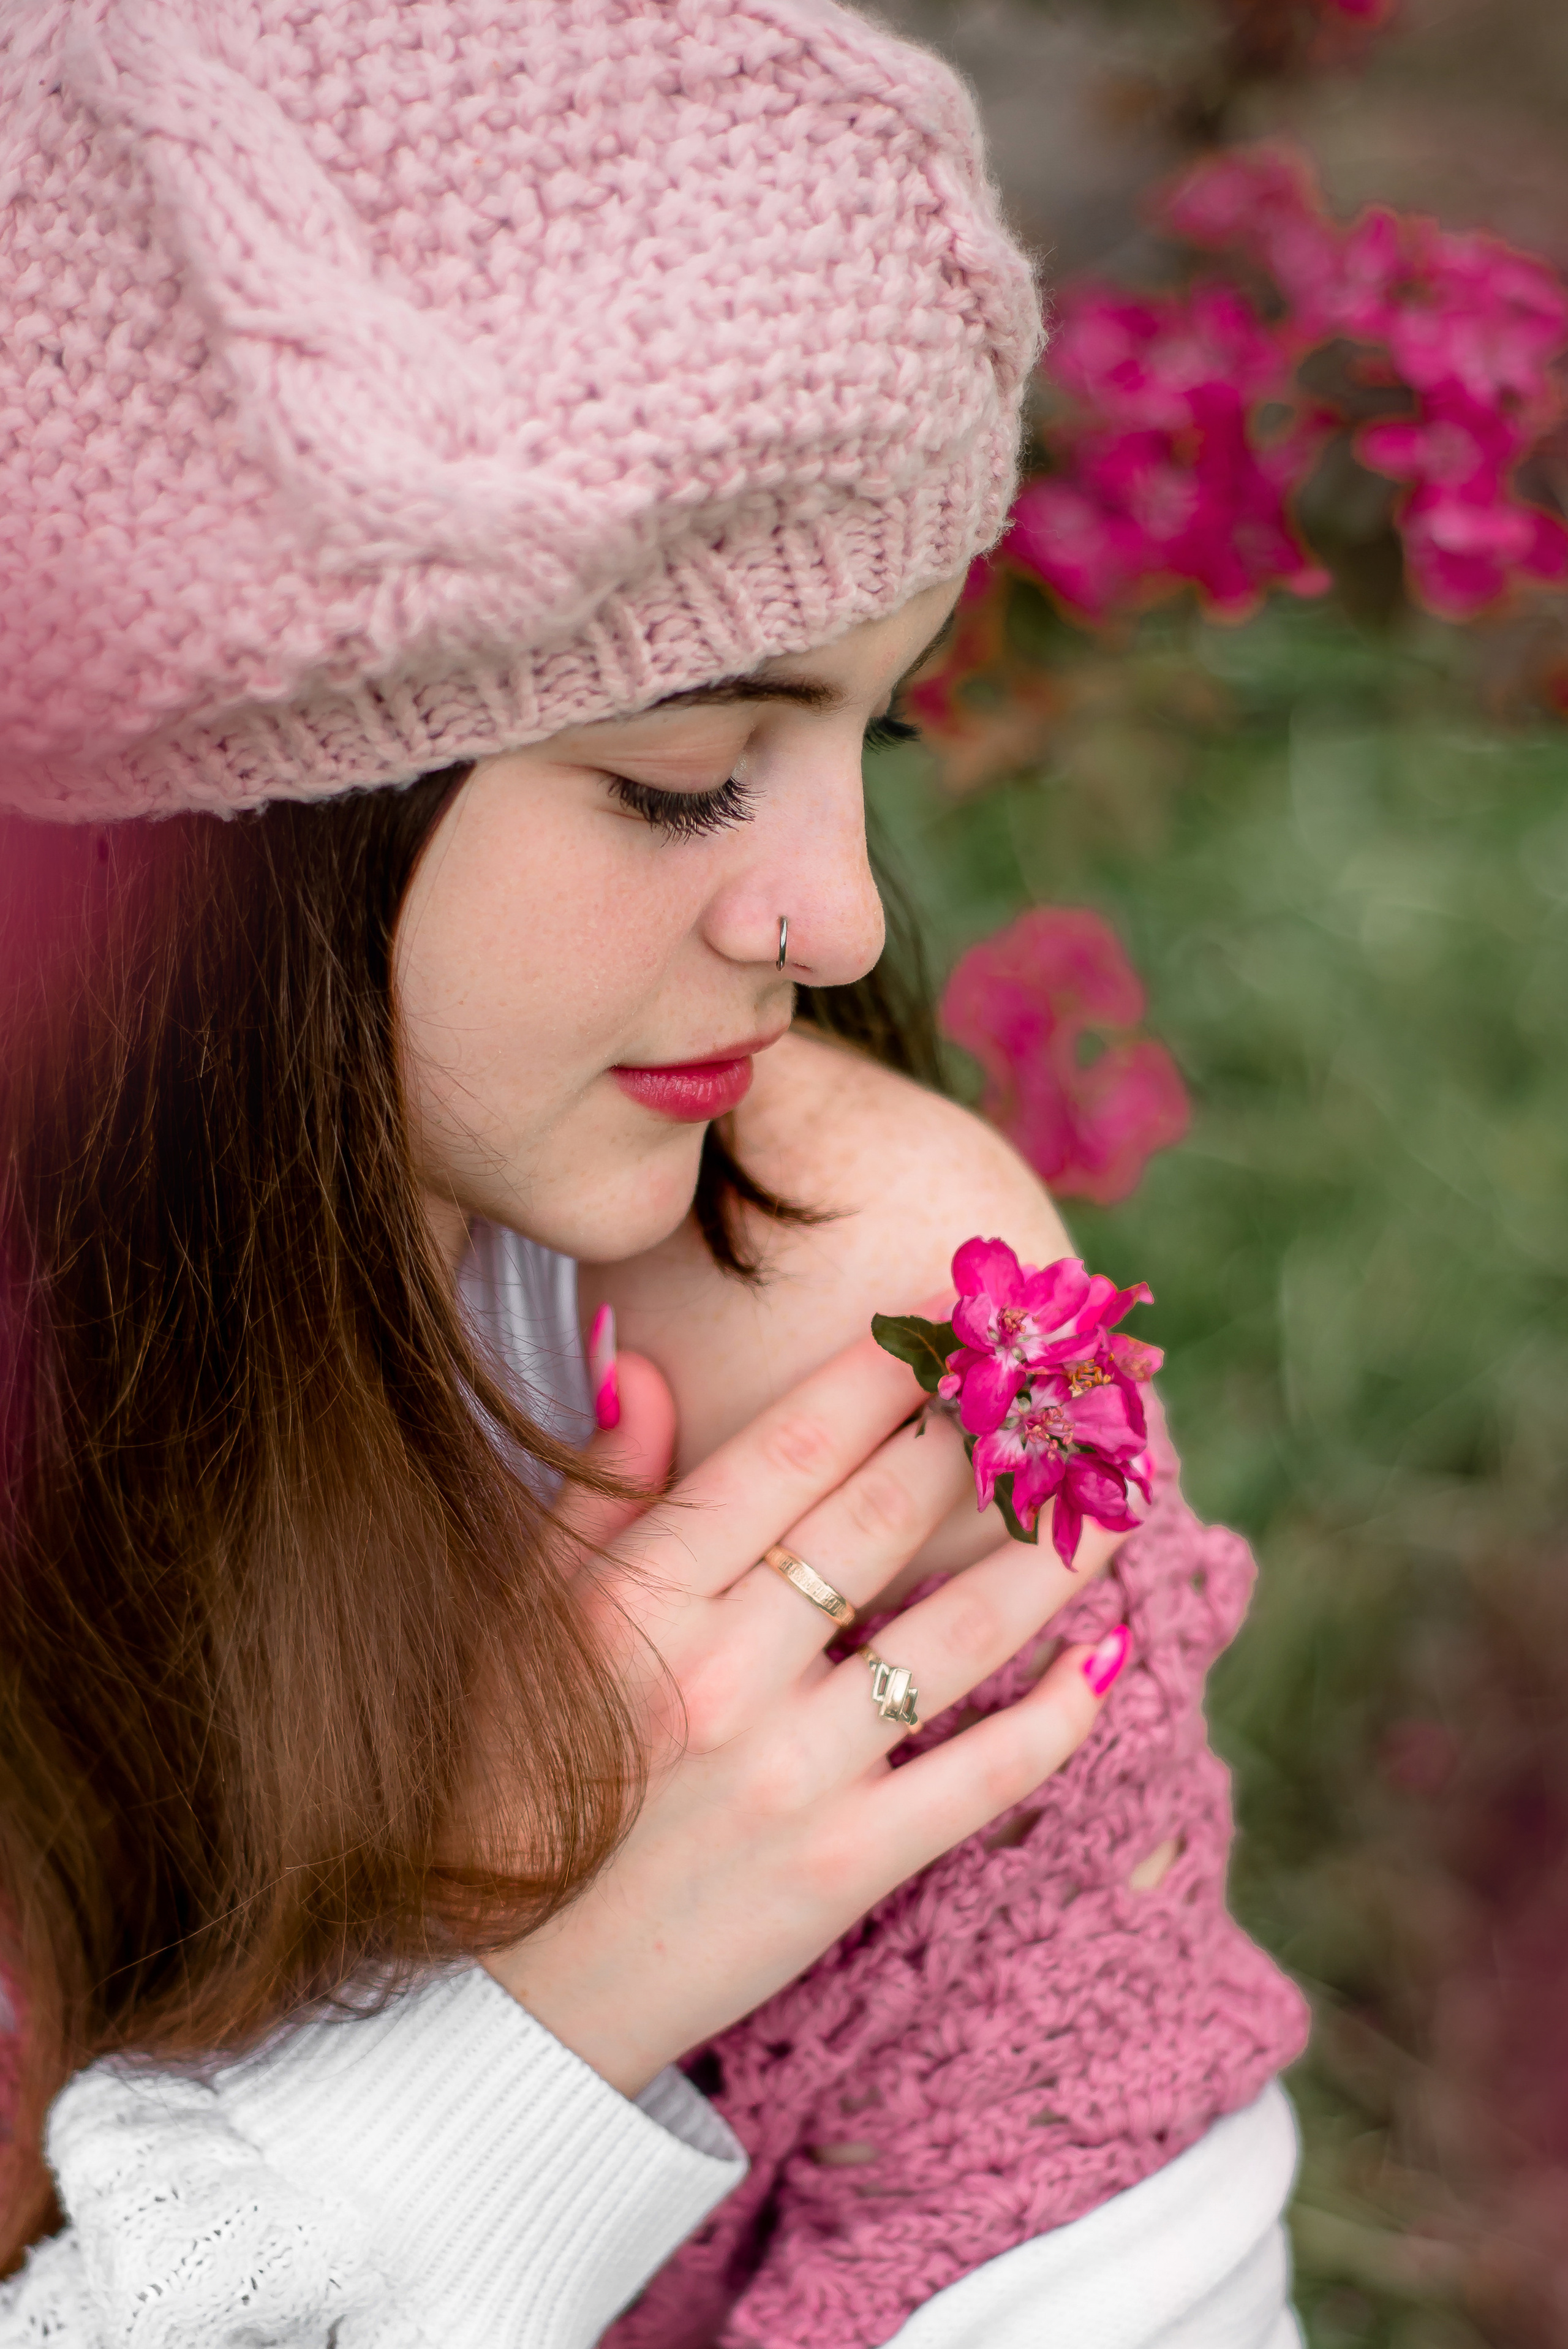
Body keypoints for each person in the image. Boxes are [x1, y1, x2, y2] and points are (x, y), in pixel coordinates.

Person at [0, 0, 1306, 2342]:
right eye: (685, 772)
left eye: (865, 734)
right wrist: (521, 2044)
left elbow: (1120, 2263)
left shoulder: (852, 1340)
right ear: (216, 841)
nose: (846, 922)